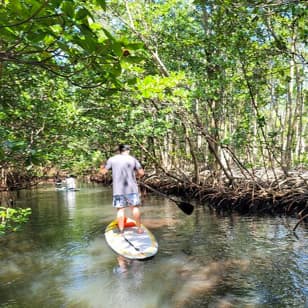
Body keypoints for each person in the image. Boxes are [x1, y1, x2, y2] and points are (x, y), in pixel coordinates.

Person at [100, 144, 145, 234]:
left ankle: (121, 231)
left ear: (119, 151)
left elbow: (103, 172)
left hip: (118, 190)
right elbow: (141, 173)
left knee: (120, 210)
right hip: (132, 188)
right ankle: (139, 229)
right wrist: (135, 176)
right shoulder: (133, 159)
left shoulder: (112, 159)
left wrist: (101, 167)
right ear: (128, 150)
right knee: (134, 208)